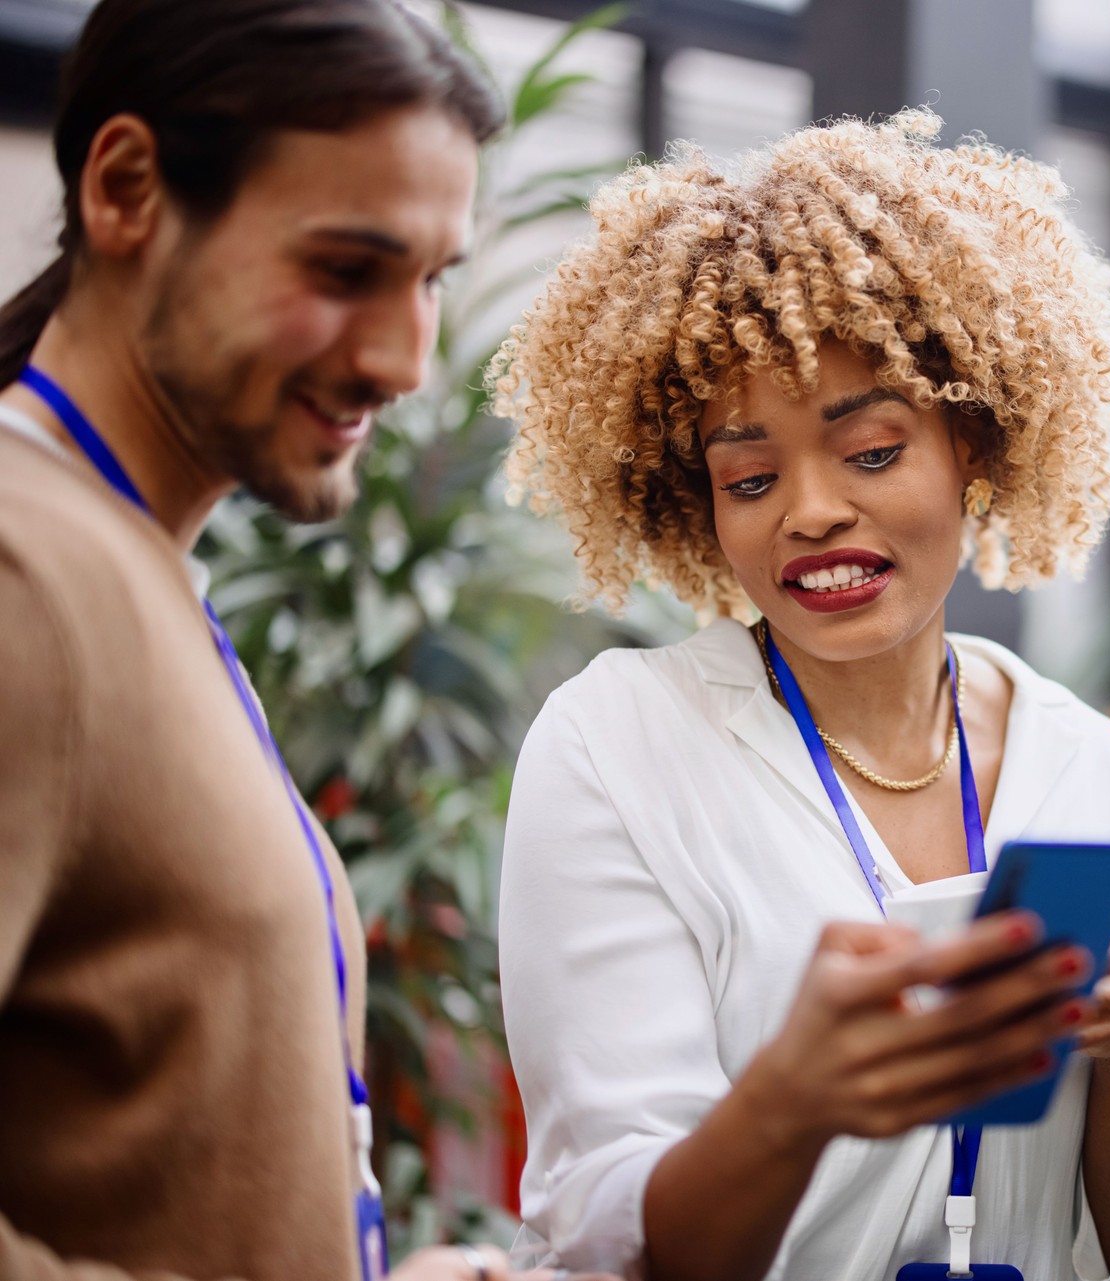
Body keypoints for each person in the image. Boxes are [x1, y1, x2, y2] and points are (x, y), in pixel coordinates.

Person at [491, 111, 1110, 1281]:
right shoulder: (619, 746)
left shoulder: (1096, 776)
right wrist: (799, 1098)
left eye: (871, 452)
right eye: (751, 476)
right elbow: (606, 1224)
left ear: (971, 443)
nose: (810, 512)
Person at [0, 3, 518, 1280]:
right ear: (127, 191)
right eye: (346, 269)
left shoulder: (127, 564)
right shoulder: (27, 575)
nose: (407, 360)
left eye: (434, 279)